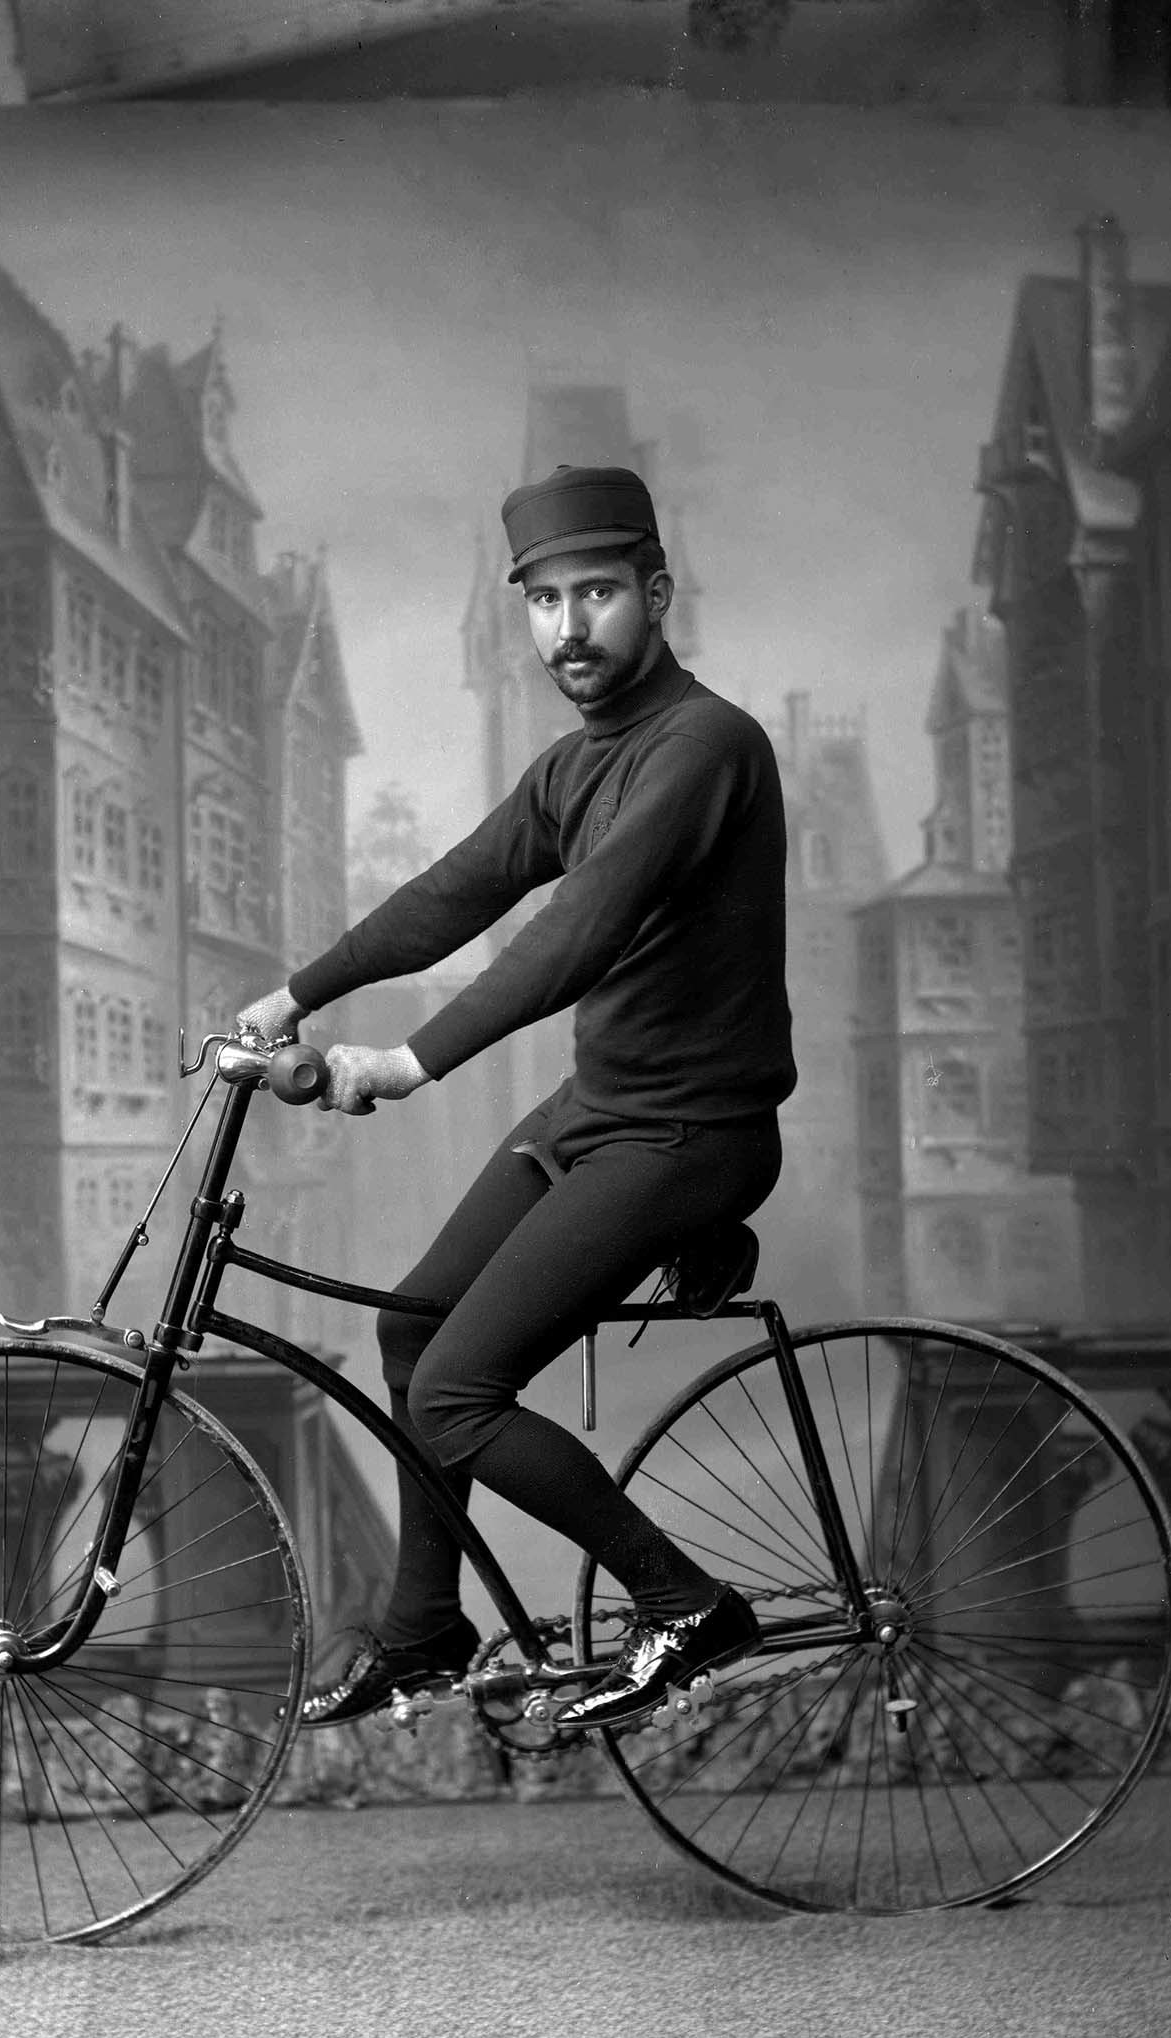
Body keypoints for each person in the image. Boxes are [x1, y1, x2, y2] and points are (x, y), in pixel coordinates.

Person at [236, 463, 795, 1732]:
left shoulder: (706, 747)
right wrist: (296, 992)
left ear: (655, 596)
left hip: (691, 1133)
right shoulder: (572, 765)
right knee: (410, 1333)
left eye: (596, 592)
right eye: (542, 601)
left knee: (456, 1394)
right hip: (600, 1114)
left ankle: (685, 1603)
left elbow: (575, 933)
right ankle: (426, 1631)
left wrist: (406, 1060)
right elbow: (455, 892)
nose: (567, 628)